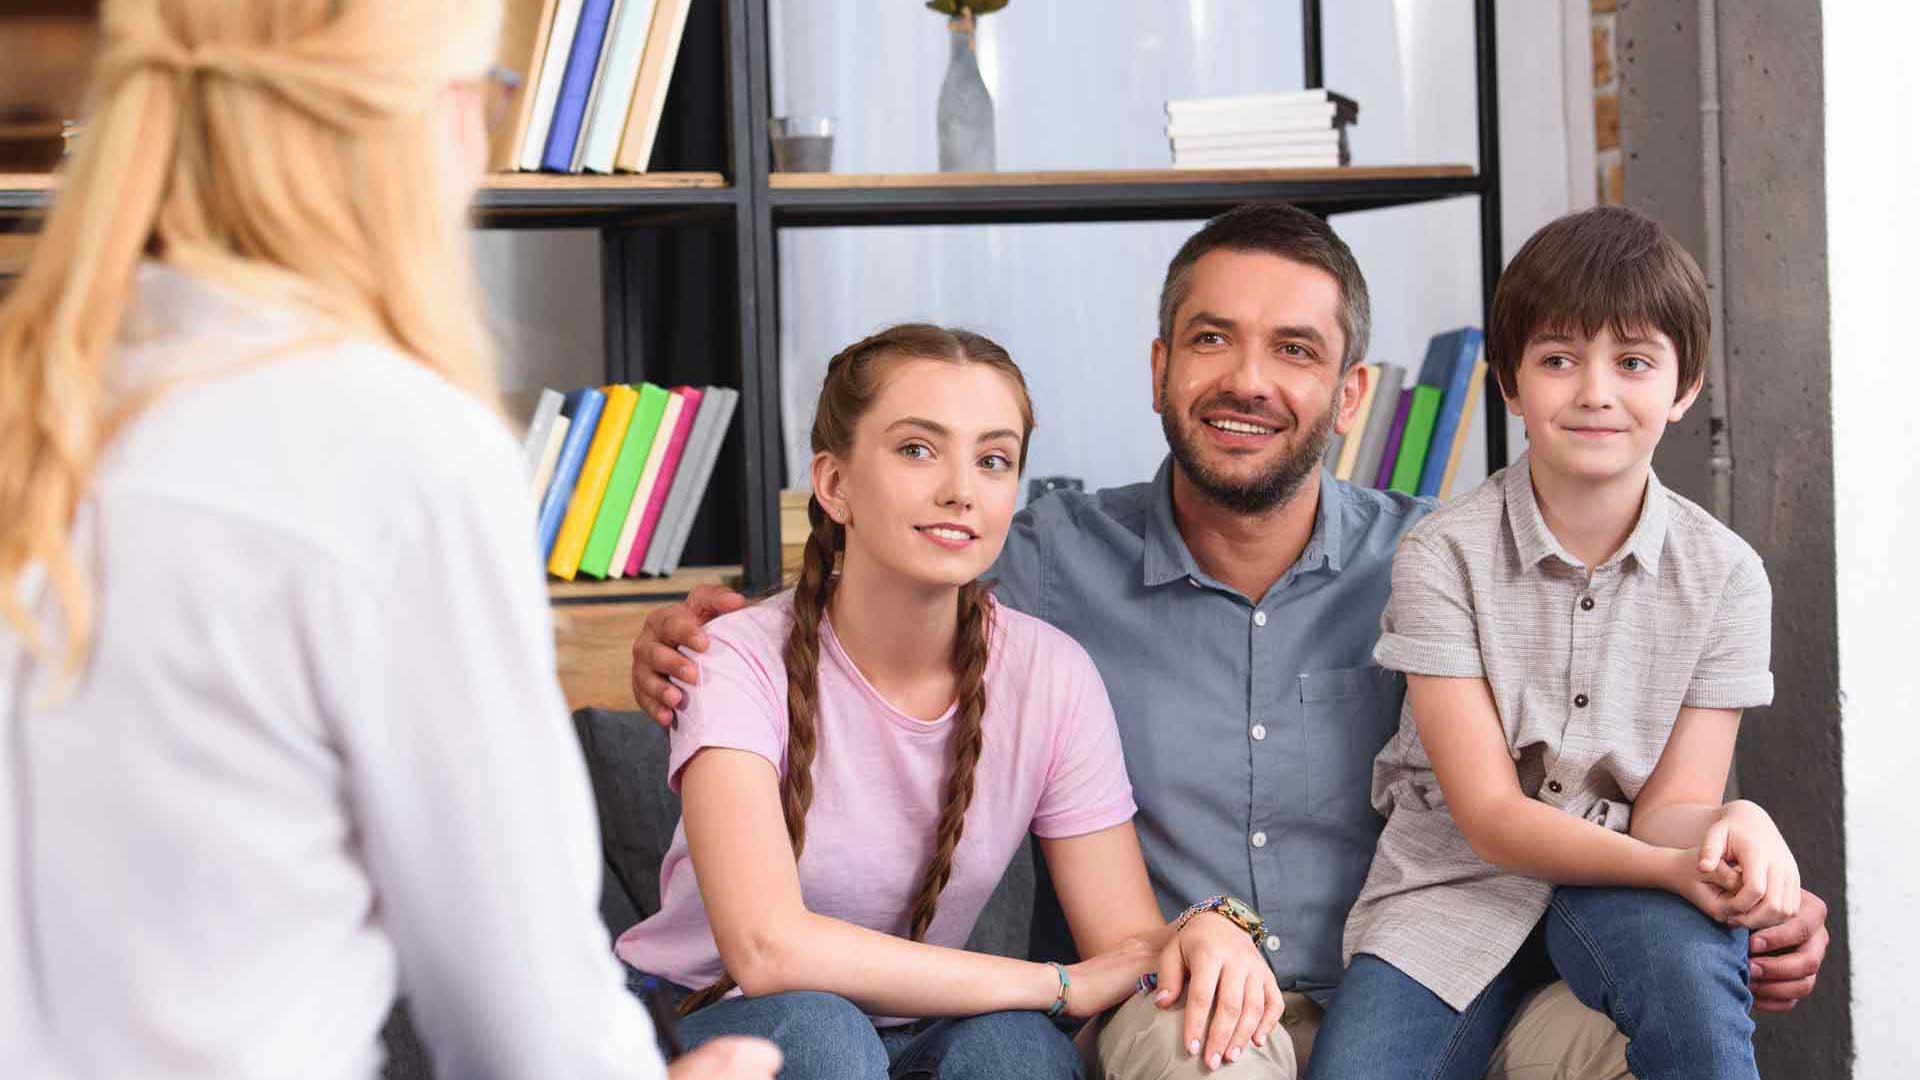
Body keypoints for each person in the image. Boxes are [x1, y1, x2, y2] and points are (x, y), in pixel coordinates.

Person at [629, 204, 1833, 1079]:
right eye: (1211, 341)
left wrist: (1743, 903)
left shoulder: (1450, 566)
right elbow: (871, 577)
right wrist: (693, 636)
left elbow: (1625, 794)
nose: (1247, 380)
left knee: (1635, 1039)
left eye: (1295, 351)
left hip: (1441, 981)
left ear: (1351, 394)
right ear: (1159, 369)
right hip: (1185, 996)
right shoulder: (1041, 558)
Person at [0, 3, 773, 1077]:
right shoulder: (398, 450)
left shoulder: (36, 406)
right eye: (480, 102)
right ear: (402, 126)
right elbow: (529, 1033)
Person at [616, 323, 1289, 1079]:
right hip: (704, 1015)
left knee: (1018, 1052)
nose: (960, 489)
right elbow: (768, 949)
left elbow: (1122, 943)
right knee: (823, 1034)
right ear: (834, 486)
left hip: (915, 1026)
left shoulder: (1052, 674)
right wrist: (1053, 985)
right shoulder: (735, 656)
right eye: (916, 449)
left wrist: (1217, 927)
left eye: (994, 460)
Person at [1307, 206, 1793, 1080]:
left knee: (1695, 992)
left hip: (1635, 877)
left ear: (1685, 388)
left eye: (1634, 362)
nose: (1596, 391)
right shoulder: (1441, 556)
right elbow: (1490, 819)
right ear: (1510, 379)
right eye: (1559, 359)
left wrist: (1732, 820)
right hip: (1452, 885)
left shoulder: (1726, 576)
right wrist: (1678, 863)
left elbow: (1673, 809)